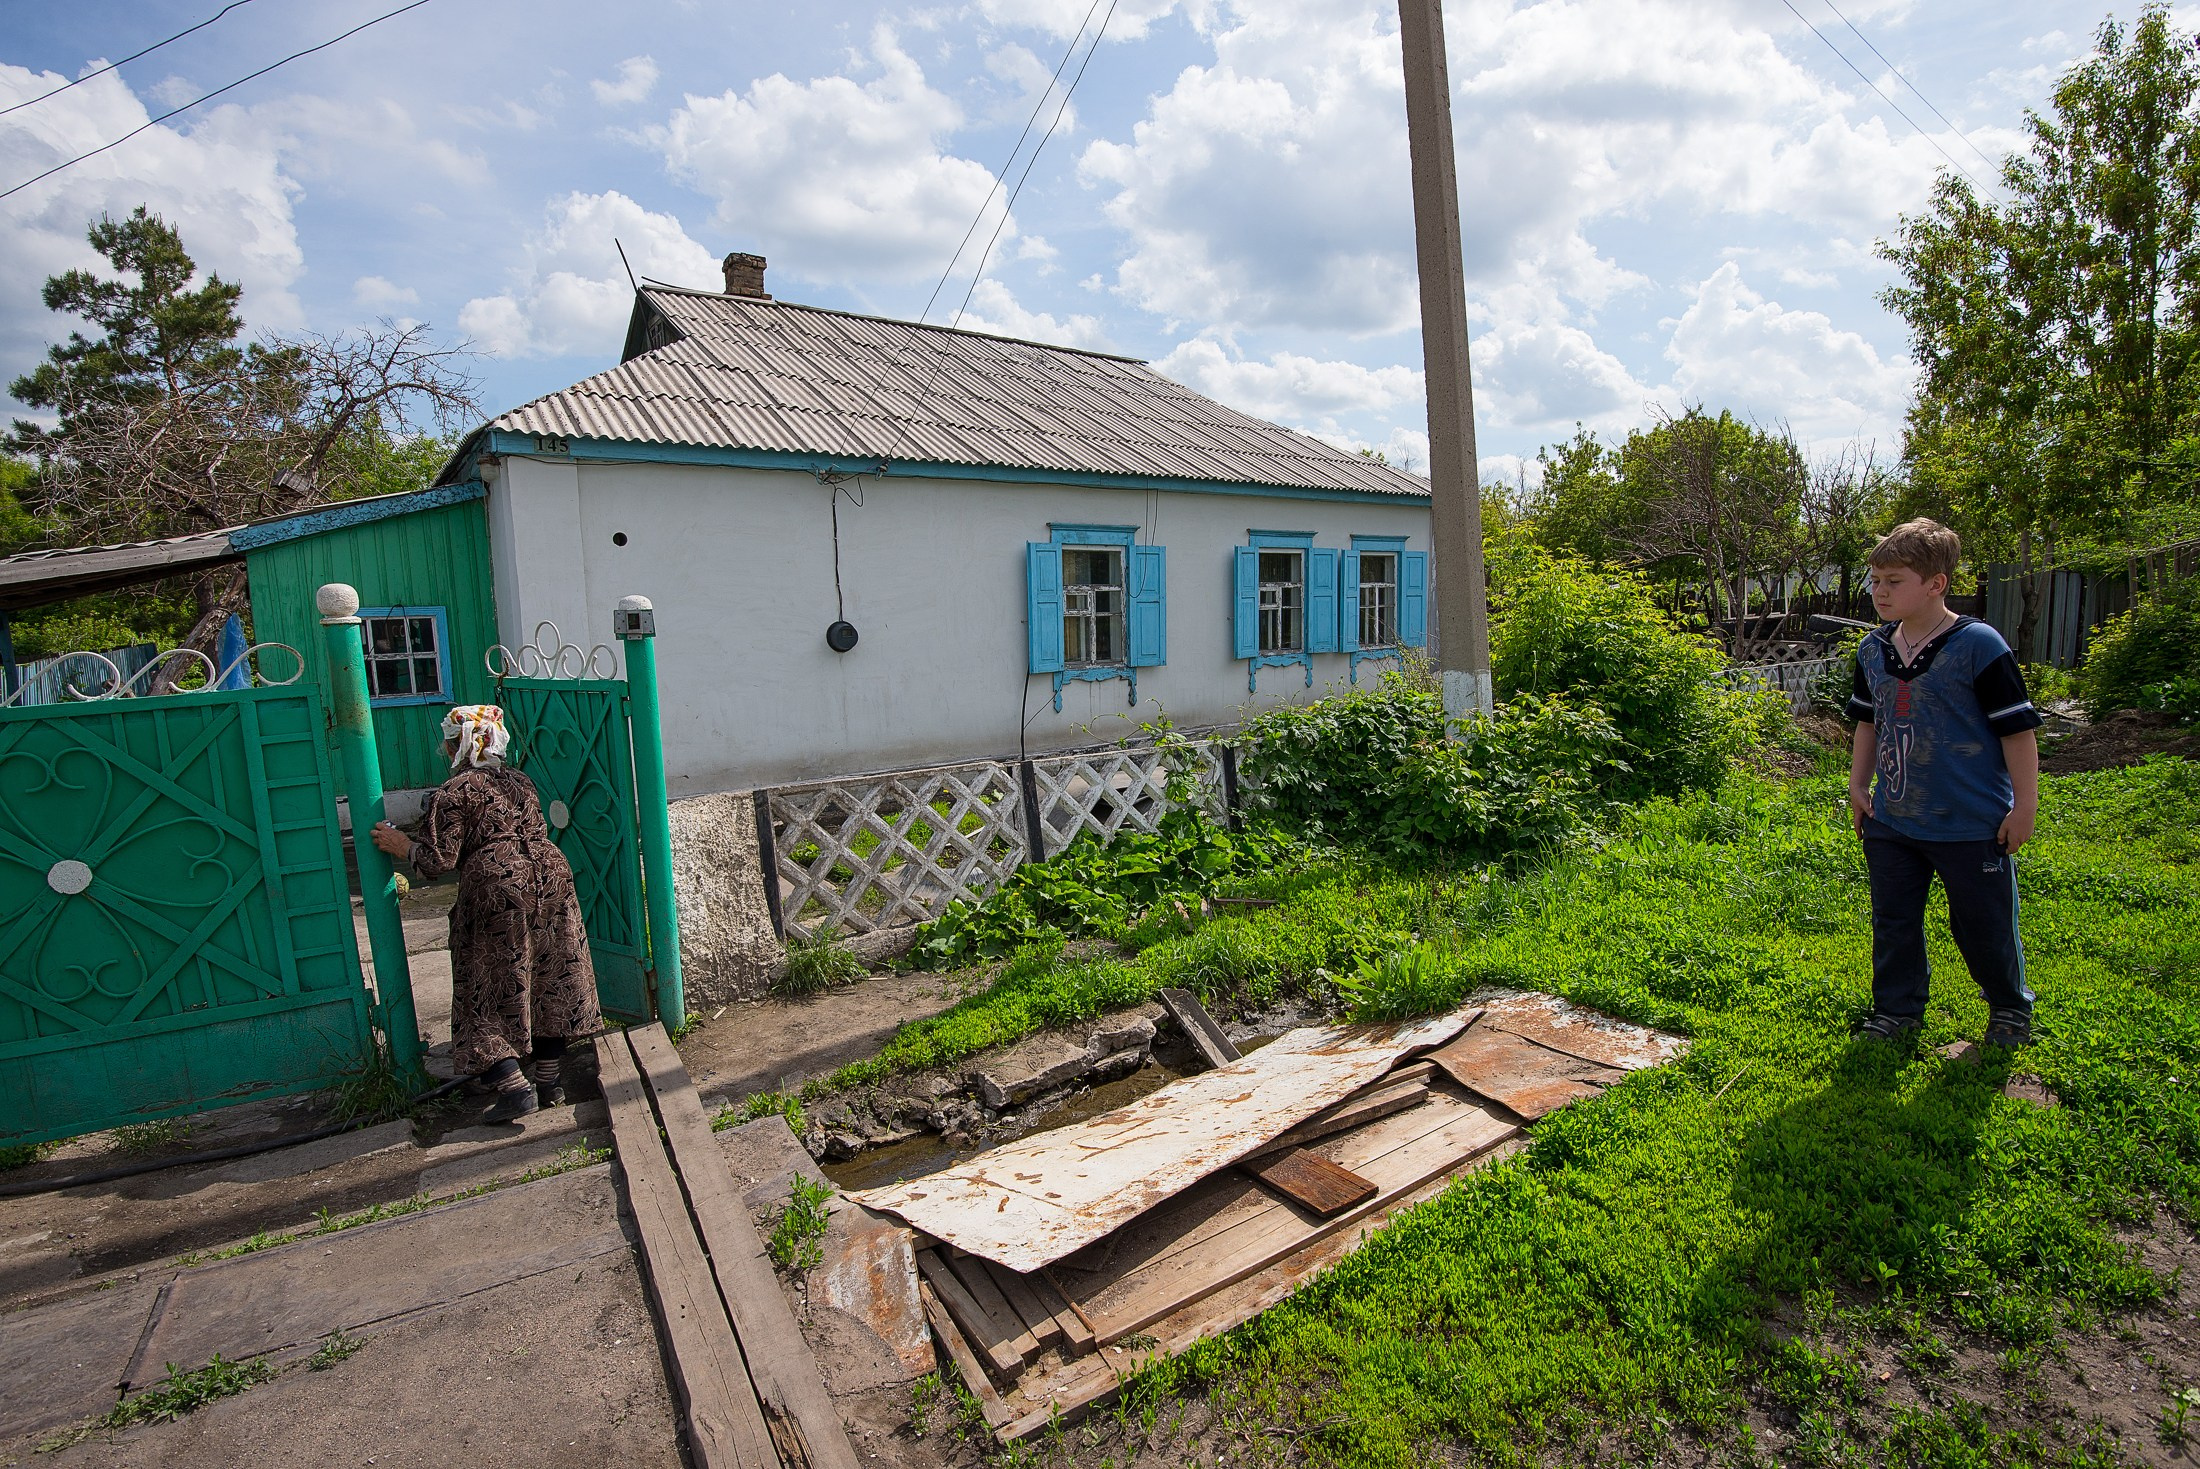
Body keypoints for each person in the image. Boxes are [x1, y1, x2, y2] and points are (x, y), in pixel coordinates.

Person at [1843, 518, 2044, 1048]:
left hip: (1970, 823)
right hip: (1893, 818)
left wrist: (2024, 806)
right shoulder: (1873, 649)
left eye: (1894, 580)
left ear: (1936, 583)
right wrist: (1858, 785)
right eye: (1876, 580)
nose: (1879, 592)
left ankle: (2008, 1009)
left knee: (1982, 925)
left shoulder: (1979, 644)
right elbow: (1868, 721)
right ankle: (1896, 1012)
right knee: (1894, 922)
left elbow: (2018, 732)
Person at [368, 705, 603, 1121]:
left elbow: (438, 860)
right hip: (551, 876)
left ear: (458, 743)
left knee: (489, 981)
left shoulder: (453, 792)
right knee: (549, 974)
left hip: (498, 887)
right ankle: (549, 1080)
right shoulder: (521, 780)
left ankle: (513, 1086)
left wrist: (400, 846)